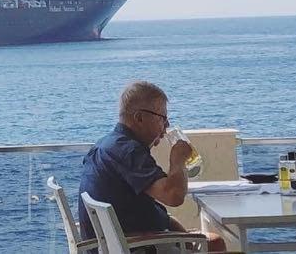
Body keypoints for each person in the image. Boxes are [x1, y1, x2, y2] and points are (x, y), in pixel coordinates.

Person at [78, 80, 223, 252]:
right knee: (215, 244)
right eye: (163, 118)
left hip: (107, 246)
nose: (167, 126)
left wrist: (182, 235)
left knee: (210, 241)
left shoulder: (107, 145)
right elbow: (174, 196)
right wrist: (178, 160)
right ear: (139, 118)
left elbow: (153, 212)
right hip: (132, 247)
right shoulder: (129, 151)